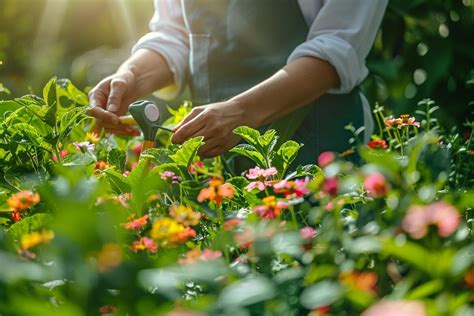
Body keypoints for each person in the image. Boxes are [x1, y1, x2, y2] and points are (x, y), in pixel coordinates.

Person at [89, 0, 388, 164]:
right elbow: (176, 35)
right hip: (216, 158)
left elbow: (337, 49)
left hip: (319, 147)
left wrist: (241, 114)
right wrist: (130, 77)